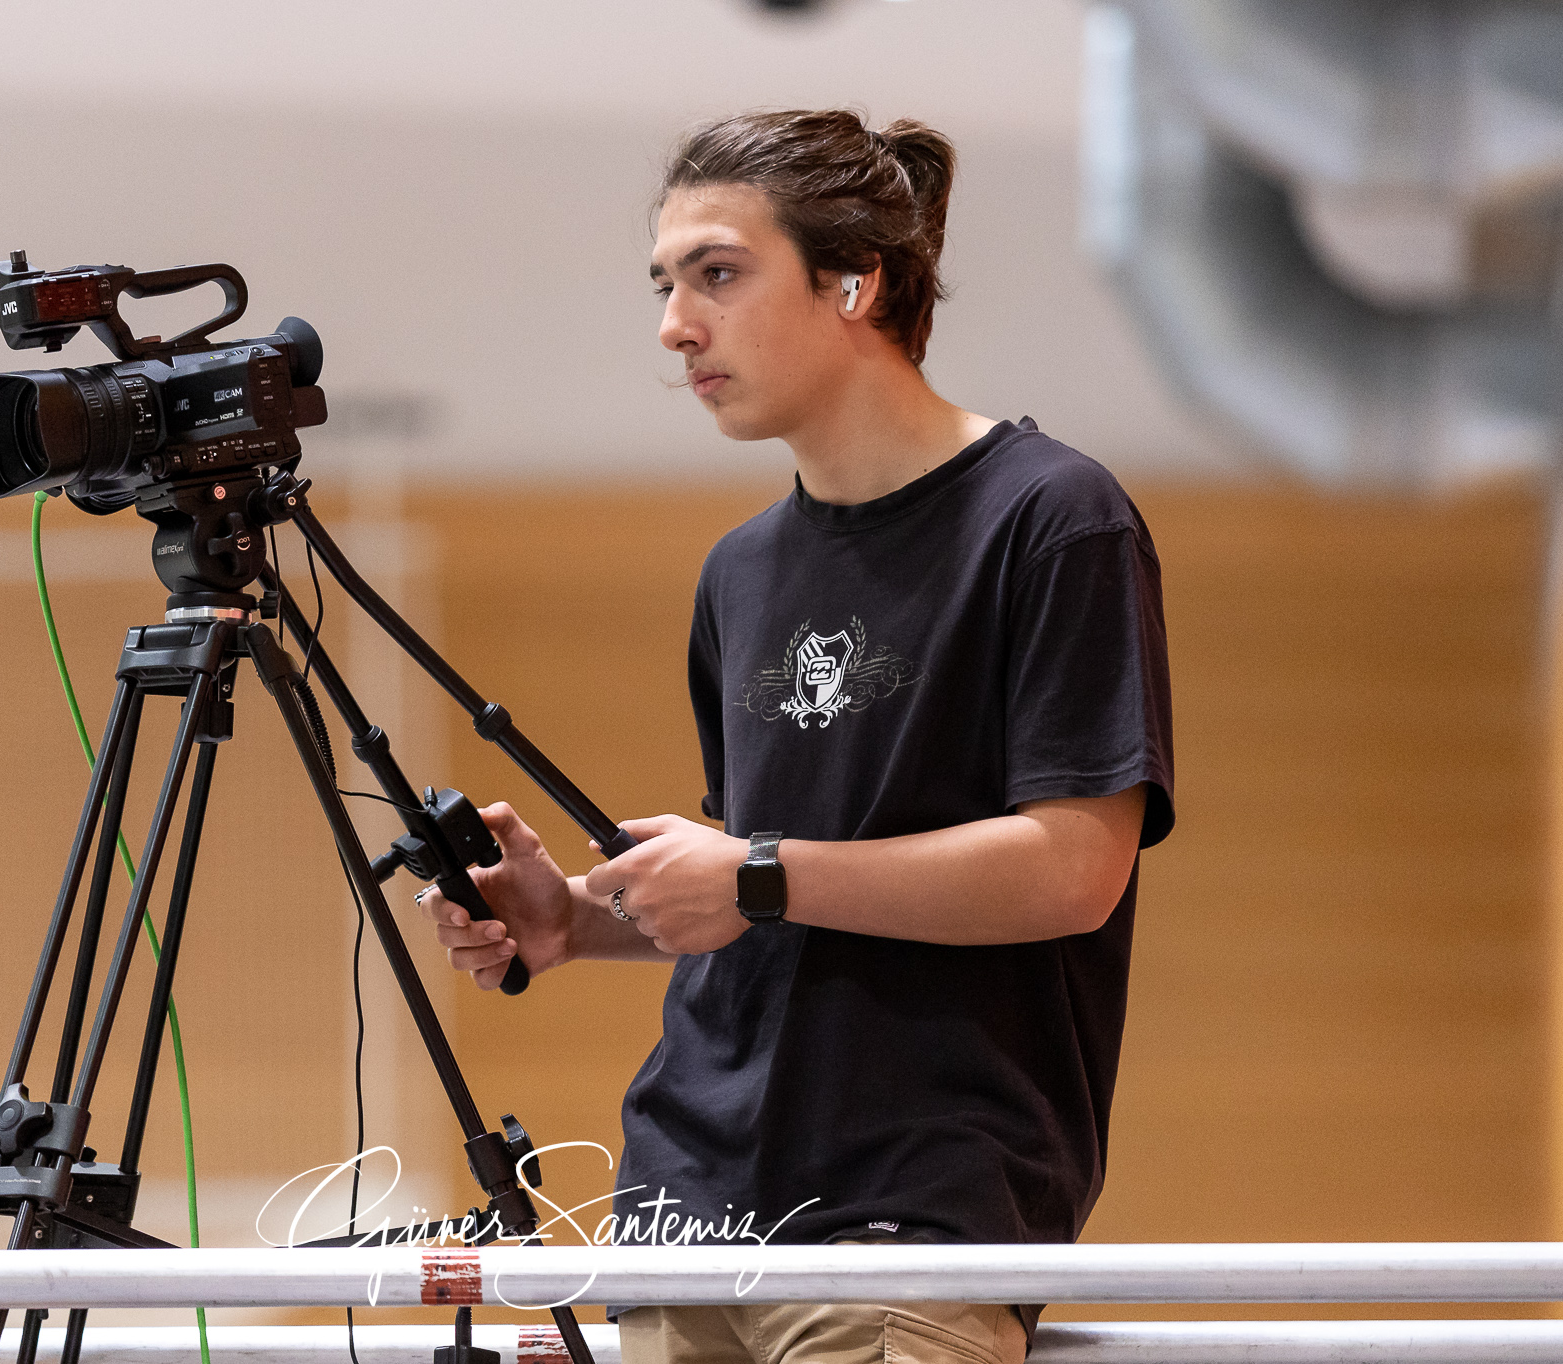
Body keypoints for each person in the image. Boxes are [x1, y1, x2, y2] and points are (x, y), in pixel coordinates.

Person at [416, 109, 1173, 1364]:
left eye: (716, 273)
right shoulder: (740, 571)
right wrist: (576, 921)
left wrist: (752, 870)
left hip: (904, 1220)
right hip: (677, 1218)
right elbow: (776, 906)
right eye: (664, 285)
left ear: (851, 280)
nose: (673, 324)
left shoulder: (1051, 518)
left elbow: (1069, 868)